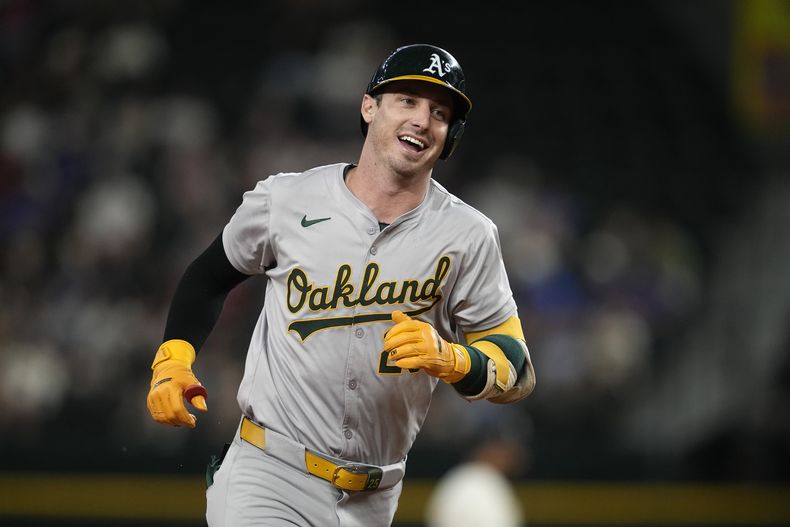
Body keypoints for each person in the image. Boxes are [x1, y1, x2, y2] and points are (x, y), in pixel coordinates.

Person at [145, 43, 536, 527]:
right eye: (407, 101)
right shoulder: (287, 200)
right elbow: (208, 276)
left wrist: (457, 359)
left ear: (449, 135)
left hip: (375, 496)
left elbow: (517, 369)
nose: (422, 120)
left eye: (439, 112)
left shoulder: (468, 235)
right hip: (270, 473)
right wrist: (173, 358)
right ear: (369, 107)